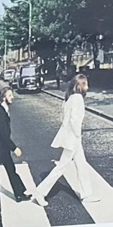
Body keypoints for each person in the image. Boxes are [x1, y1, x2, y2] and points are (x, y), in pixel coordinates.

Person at [30, 72, 96, 207]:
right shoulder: (78, 98)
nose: (87, 87)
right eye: (85, 85)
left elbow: (63, 118)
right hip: (73, 138)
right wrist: (77, 135)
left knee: (81, 165)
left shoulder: (69, 98)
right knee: (61, 167)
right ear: (80, 86)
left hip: (70, 137)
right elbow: (74, 120)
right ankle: (40, 192)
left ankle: (87, 194)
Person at [0, 83, 33, 203]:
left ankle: (19, 194)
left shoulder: (4, 110)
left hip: (3, 150)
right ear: (4, 98)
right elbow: (3, 135)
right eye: (9, 95)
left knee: (12, 171)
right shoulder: (0, 113)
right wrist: (14, 148)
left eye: (11, 95)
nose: (12, 97)